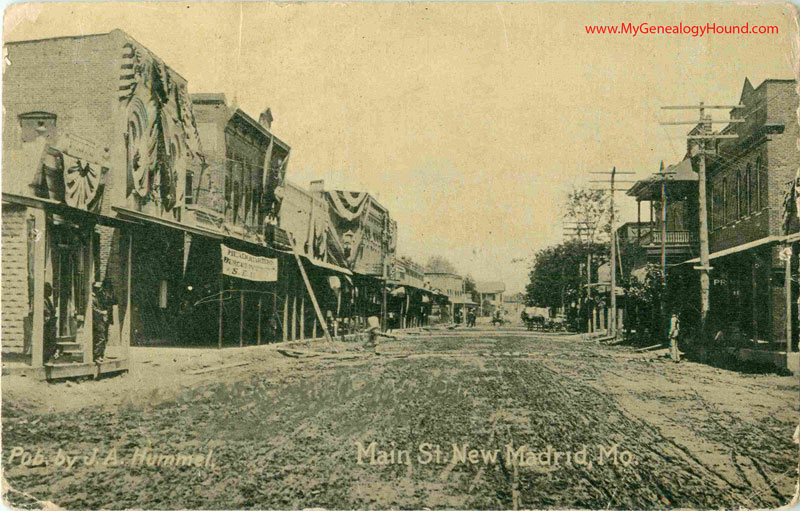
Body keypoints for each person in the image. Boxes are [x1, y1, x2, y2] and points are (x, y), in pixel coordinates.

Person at [92, 280, 116, 363]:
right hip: (97, 320)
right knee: (100, 338)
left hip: (103, 320)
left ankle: (101, 355)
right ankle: (96, 356)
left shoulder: (101, 296)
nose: (99, 290)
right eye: (97, 288)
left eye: (100, 288)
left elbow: (112, 302)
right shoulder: (93, 298)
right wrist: (102, 312)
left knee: (104, 338)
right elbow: (94, 309)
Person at [43, 283, 61, 362]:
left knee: (51, 341)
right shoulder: (43, 300)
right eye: (49, 290)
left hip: (51, 324)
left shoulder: (48, 300)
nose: (51, 292)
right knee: (47, 341)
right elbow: (46, 312)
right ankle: (45, 359)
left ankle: (49, 357)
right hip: (47, 325)